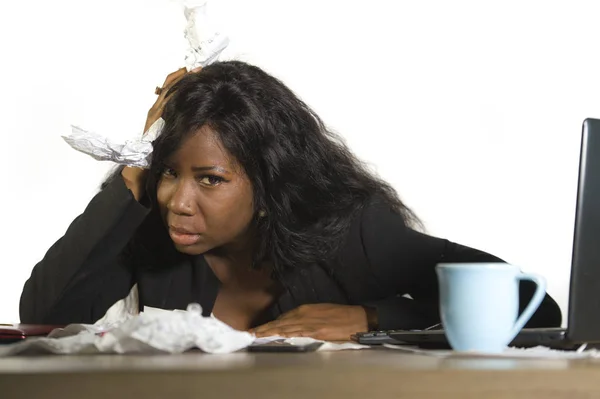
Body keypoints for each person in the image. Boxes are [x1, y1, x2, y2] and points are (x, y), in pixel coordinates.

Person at [19, 61, 562, 340]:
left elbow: (529, 304)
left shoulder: (351, 232)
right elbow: (44, 313)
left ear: (268, 180)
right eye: (168, 174)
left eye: (209, 179)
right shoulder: (149, 228)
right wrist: (137, 170)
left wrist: (371, 317)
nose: (178, 202)